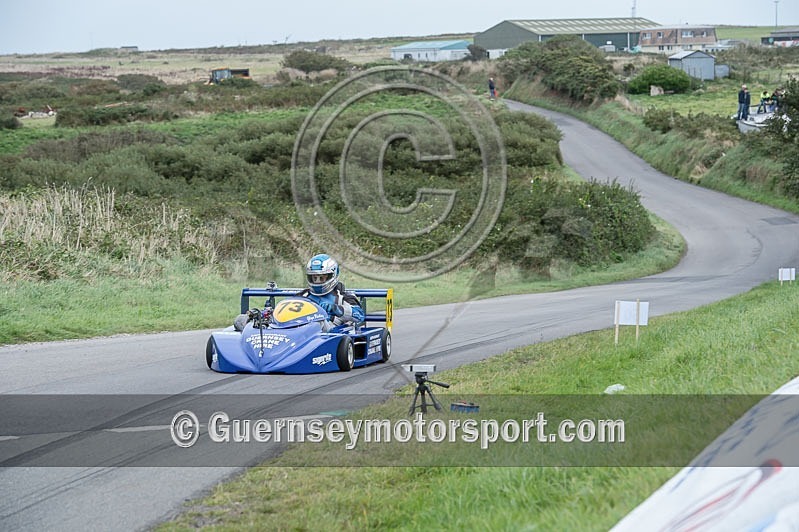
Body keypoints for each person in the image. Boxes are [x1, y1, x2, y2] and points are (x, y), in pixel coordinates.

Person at [297, 253, 364, 331]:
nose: (317, 282)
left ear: (332, 275)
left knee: (318, 320)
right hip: (302, 330)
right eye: (314, 278)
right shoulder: (303, 295)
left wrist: (336, 309)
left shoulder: (343, 297)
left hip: (331, 332)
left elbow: (359, 315)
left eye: (321, 278)